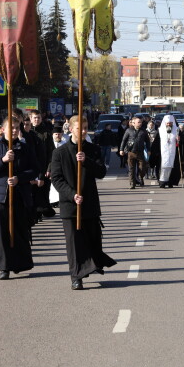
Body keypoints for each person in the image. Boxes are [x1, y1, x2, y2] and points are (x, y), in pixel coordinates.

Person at [51, 115, 117, 290]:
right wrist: (72, 195)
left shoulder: (93, 149)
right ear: (71, 129)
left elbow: (101, 172)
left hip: (89, 203)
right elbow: (56, 179)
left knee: (91, 240)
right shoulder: (60, 152)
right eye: (80, 128)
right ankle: (76, 276)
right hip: (70, 205)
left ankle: (89, 267)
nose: (84, 131)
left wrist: (85, 160)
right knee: (73, 243)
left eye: (86, 127)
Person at [0, 115, 39, 280]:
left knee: (20, 229)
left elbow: (35, 169)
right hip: (1, 196)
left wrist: (19, 178)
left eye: (17, 128)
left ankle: (20, 263)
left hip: (20, 194)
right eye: (11, 128)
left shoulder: (25, 148)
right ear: (3, 130)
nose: (15, 131)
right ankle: (4, 266)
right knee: (1, 232)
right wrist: (3, 160)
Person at [119, 116, 148, 189]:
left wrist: (149, 150)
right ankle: (132, 184)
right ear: (133, 123)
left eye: (141, 122)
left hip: (140, 152)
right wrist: (121, 149)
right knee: (131, 169)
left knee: (142, 168)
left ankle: (140, 177)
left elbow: (147, 141)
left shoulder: (143, 131)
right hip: (131, 152)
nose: (140, 123)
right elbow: (124, 140)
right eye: (138, 122)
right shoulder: (129, 130)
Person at [157, 114, 182, 188]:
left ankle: (170, 182)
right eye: (167, 123)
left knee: (172, 167)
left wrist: (179, 140)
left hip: (173, 152)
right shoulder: (160, 130)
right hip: (162, 152)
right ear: (164, 123)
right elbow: (157, 142)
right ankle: (162, 182)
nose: (169, 124)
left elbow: (181, 142)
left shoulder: (177, 130)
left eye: (170, 123)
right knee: (163, 166)